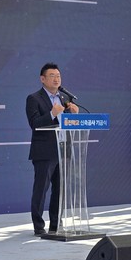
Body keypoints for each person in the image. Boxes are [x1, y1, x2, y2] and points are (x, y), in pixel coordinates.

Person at [25, 63, 78, 235]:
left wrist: (74, 115)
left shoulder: (64, 98)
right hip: (44, 151)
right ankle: (38, 226)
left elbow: (67, 124)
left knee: (60, 190)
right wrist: (51, 114)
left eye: (58, 76)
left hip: (63, 149)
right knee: (41, 189)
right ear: (43, 79)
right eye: (52, 76)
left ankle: (56, 224)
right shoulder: (34, 98)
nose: (56, 79)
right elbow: (34, 124)